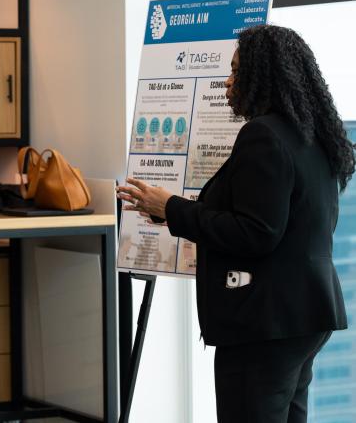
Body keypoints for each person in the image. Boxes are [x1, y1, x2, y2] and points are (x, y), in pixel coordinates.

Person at [118, 24, 353, 423]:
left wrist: (172, 207)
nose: (227, 83)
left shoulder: (263, 135)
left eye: (236, 72)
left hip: (265, 322)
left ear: (263, 76)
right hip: (305, 314)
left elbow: (256, 232)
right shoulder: (312, 134)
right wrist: (169, 210)